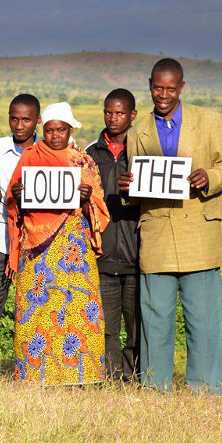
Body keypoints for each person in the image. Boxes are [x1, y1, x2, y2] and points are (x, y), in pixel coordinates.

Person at [118, 58, 222, 394]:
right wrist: (128, 191)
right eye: (158, 88)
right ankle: (156, 388)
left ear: (181, 87)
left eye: (171, 88)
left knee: (205, 320)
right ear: (150, 85)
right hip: (156, 233)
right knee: (155, 319)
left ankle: (207, 389)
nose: (164, 94)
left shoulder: (209, 120)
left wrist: (209, 177)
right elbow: (136, 187)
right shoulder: (138, 130)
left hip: (200, 231)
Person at [6, 102, 110, 386]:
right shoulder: (30, 155)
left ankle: (79, 374)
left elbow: (100, 203)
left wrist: (87, 197)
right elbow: (13, 199)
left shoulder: (82, 161)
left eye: (60, 130)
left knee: (76, 303)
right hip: (37, 245)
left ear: (70, 129)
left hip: (73, 242)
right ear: (43, 129)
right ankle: (35, 372)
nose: (54, 136)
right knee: (38, 306)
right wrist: (17, 194)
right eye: (49, 130)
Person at [86, 89, 141, 380]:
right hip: (103, 255)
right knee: (107, 327)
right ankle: (112, 378)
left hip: (137, 255)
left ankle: (133, 379)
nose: (113, 118)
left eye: (120, 113)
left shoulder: (143, 153)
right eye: (108, 112)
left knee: (136, 325)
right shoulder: (91, 155)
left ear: (133, 116)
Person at [0, 94, 40, 332]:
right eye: (14, 119)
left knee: (36, 306)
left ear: (37, 120)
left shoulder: (49, 150)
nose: (19, 126)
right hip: (0, 238)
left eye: (26, 120)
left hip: (37, 240)